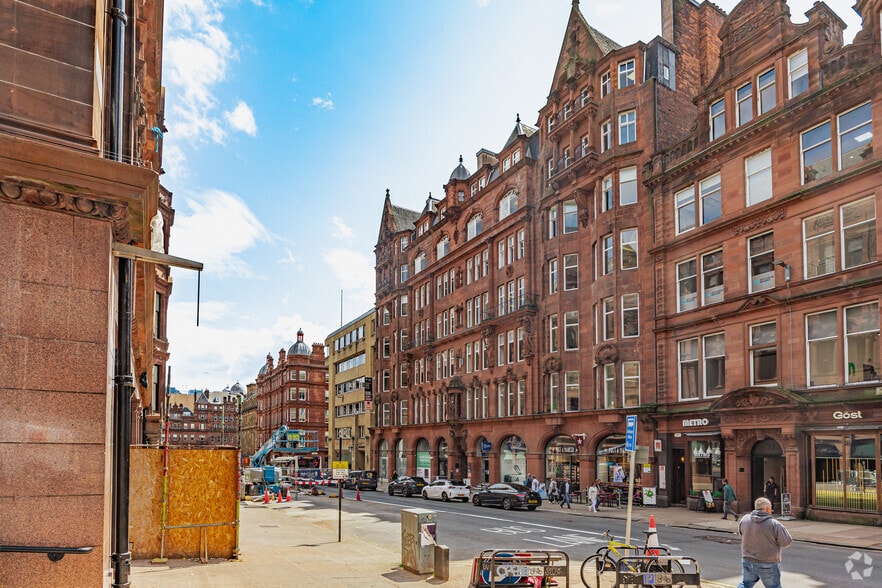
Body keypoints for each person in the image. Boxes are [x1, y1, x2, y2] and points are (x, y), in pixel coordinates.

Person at [737, 497, 792, 588]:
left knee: (746, 583)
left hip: (748, 559)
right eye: (771, 508)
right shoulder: (774, 524)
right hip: (768, 563)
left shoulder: (745, 519)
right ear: (767, 509)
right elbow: (786, 542)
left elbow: (741, 534)